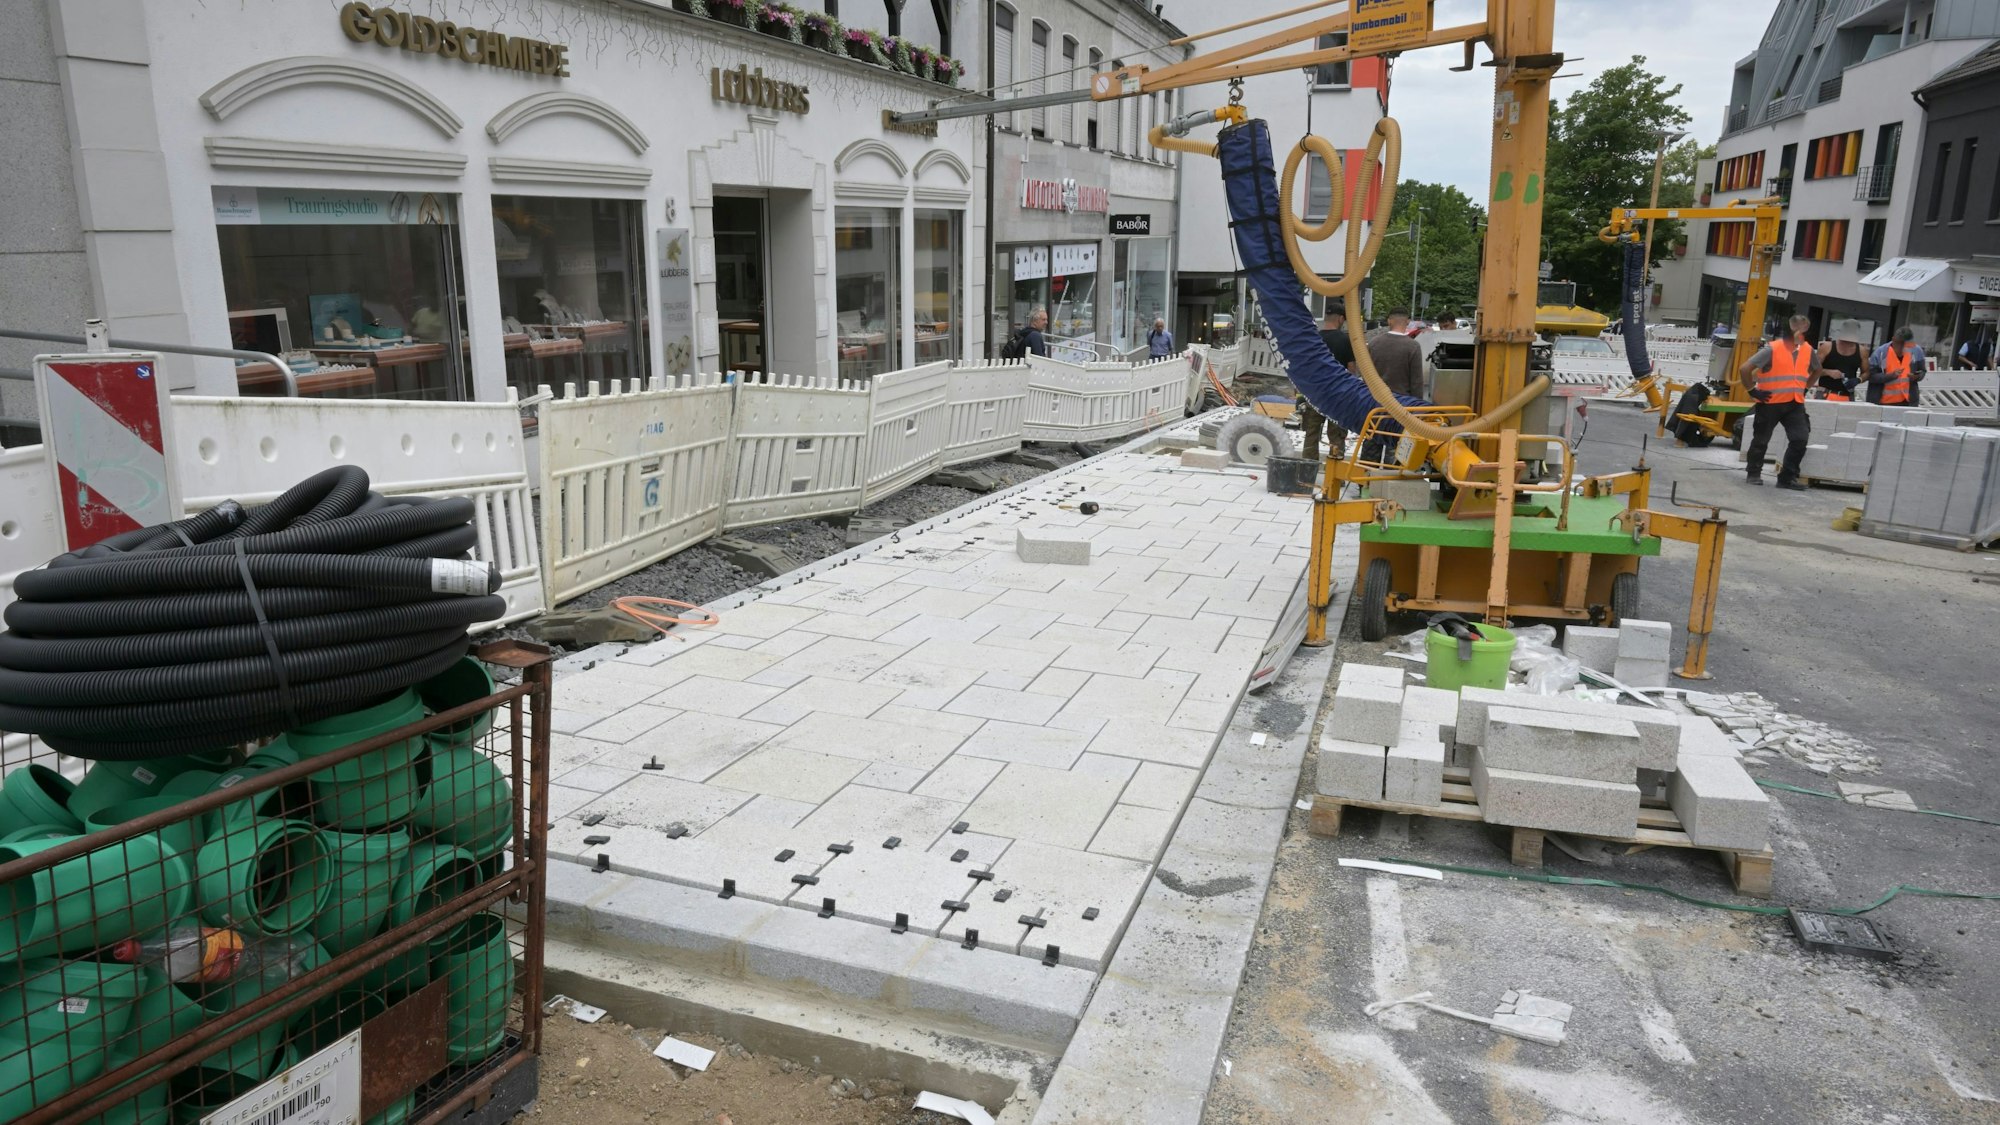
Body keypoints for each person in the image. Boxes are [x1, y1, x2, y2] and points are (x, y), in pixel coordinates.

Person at [1738, 313, 1819, 490]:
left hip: (1794, 403)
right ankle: (1753, 473)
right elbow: (1745, 369)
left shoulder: (1807, 350)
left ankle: (1786, 478)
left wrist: (1804, 388)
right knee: (1761, 440)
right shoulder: (1772, 349)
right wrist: (1753, 391)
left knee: (1800, 439)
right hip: (1770, 403)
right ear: (1794, 329)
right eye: (1801, 328)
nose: (1803, 332)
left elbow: (1817, 370)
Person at [1362, 308, 1425, 462]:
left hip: (1374, 405)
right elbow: (1416, 381)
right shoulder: (1412, 347)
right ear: (1408, 322)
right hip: (1401, 407)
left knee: (1372, 445)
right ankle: (1390, 482)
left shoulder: (1374, 343)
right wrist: (1418, 409)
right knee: (1396, 450)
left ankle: (1366, 483)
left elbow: (1364, 373)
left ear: (1389, 321)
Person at [1300, 309, 1356, 462]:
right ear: (1341, 318)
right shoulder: (1345, 340)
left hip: (1315, 395)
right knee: (1336, 435)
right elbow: (1351, 369)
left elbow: (1304, 367)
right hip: (1338, 397)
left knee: (1312, 433)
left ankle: (1307, 471)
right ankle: (1335, 474)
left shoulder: (1314, 339)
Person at [1867, 327, 1925, 407]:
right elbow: (1870, 376)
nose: (1902, 347)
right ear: (1893, 339)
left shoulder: (1917, 351)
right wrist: (1890, 376)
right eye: (1899, 343)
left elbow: (1922, 371)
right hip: (1883, 404)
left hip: (1908, 403)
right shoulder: (1880, 353)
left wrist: (1917, 376)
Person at [1815, 321, 1864, 400]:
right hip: (1826, 393)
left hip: (1848, 395)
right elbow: (1812, 369)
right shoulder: (1827, 347)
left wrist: (1858, 379)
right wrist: (1828, 372)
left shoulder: (1861, 351)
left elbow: (1867, 372)